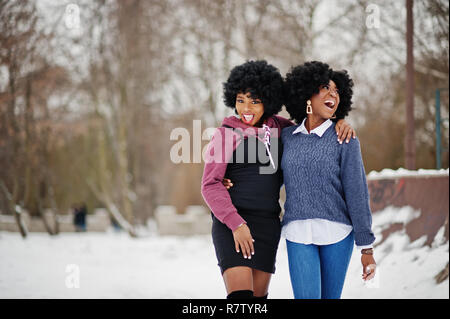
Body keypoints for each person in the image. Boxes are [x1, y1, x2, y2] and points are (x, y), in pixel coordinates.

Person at [201, 60, 356, 299]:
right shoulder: (225, 134)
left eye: (255, 101)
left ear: (268, 102)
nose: (246, 108)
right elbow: (210, 185)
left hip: (267, 224)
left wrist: (338, 121)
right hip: (233, 223)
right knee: (241, 297)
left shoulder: (282, 130)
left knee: (259, 299)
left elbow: (311, 127)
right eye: (240, 100)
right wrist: (236, 224)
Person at [281, 61, 376, 299]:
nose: (333, 94)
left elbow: (357, 192)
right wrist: (232, 182)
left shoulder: (346, 139)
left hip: (338, 233)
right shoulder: (286, 138)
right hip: (297, 231)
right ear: (306, 94)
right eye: (325, 88)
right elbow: (266, 177)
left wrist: (366, 246)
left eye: (336, 91)